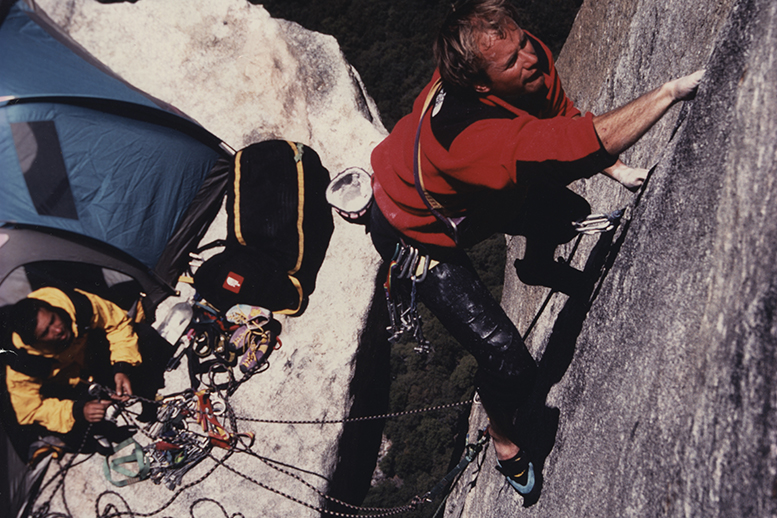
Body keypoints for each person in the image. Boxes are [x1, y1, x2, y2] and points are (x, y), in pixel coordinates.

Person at [369, 0, 703, 499]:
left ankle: (537, 267)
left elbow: (560, 118)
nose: (529, 58)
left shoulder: (519, 63)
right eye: (512, 60)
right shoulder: (468, 137)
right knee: (511, 364)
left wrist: (611, 167)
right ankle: (502, 435)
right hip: (414, 231)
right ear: (481, 83)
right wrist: (670, 92)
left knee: (564, 210)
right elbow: (579, 144)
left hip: (463, 197)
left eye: (523, 41)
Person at [5, 286, 165, 456]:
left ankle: (120, 389)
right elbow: (29, 410)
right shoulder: (23, 362)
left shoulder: (76, 304)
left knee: (146, 336)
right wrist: (76, 410)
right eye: (46, 332)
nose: (57, 329)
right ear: (36, 343)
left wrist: (122, 366)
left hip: (93, 356)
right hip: (71, 384)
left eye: (53, 319)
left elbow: (117, 324)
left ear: (51, 308)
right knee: (76, 436)